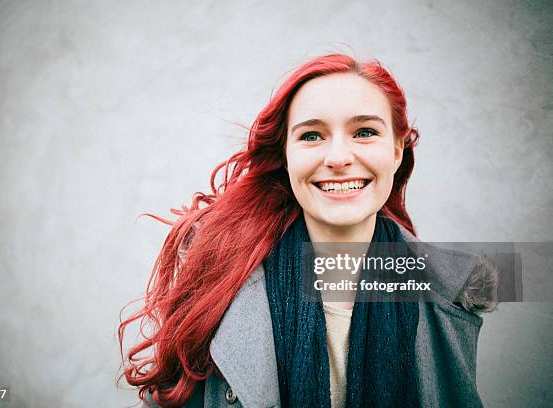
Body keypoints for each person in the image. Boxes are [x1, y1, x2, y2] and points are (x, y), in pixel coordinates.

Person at [118, 54, 498, 408]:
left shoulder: (454, 287)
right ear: (285, 155)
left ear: (397, 150)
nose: (338, 158)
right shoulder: (218, 272)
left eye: (364, 132)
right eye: (312, 136)